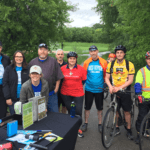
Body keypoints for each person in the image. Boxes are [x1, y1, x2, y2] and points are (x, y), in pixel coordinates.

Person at [105, 45, 135, 140]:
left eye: (121, 52)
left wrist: (120, 87)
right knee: (116, 110)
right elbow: (106, 77)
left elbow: (130, 80)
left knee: (126, 111)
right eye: (117, 52)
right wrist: (110, 86)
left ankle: (129, 130)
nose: (119, 54)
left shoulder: (129, 64)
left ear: (124, 54)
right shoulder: (111, 64)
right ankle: (117, 128)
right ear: (115, 54)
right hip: (114, 90)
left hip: (125, 91)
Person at [29, 43, 64, 112]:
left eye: (45, 49)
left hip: (51, 94)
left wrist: (56, 89)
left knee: (54, 115)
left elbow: (59, 76)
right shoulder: (32, 62)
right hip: (37, 95)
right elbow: (28, 78)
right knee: (39, 115)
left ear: (47, 51)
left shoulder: (53, 61)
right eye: (41, 49)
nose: (43, 51)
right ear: (38, 51)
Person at [81, 45, 107, 133]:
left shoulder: (103, 62)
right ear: (89, 53)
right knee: (87, 107)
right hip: (89, 89)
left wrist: (105, 83)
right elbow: (84, 75)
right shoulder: (86, 62)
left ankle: (100, 124)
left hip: (99, 89)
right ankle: (86, 123)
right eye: (91, 51)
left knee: (100, 108)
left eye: (94, 51)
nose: (93, 53)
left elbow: (106, 75)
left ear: (97, 51)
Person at [60, 52, 87, 138]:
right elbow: (60, 80)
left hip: (78, 93)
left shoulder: (81, 69)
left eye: (74, 58)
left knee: (78, 111)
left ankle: (78, 128)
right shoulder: (62, 68)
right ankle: (71, 127)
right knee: (70, 111)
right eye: (70, 58)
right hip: (65, 93)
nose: (72, 60)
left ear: (76, 59)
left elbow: (83, 81)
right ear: (67, 59)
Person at [3, 50, 30, 115]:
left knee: (26, 118)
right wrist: (8, 98)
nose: (19, 58)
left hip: (25, 98)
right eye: (17, 56)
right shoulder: (8, 69)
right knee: (14, 118)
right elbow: (5, 83)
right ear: (14, 58)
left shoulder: (28, 68)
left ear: (23, 58)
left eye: (20, 56)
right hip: (13, 99)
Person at [134, 51, 150, 144]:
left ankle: (147, 130)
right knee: (141, 117)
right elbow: (137, 84)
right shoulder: (142, 71)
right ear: (146, 59)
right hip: (144, 99)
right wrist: (139, 94)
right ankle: (139, 134)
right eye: (148, 58)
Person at [0, 41, 11, 119]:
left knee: (3, 105)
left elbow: (9, 71)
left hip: (3, 86)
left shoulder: (6, 58)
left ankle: (2, 122)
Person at [55, 49, 67, 113]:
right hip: (56, 87)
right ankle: (58, 117)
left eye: (61, 54)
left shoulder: (67, 65)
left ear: (63, 55)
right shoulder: (53, 65)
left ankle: (64, 117)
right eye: (58, 54)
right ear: (56, 55)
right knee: (57, 104)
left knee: (64, 105)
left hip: (65, 87)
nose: (60, 56)